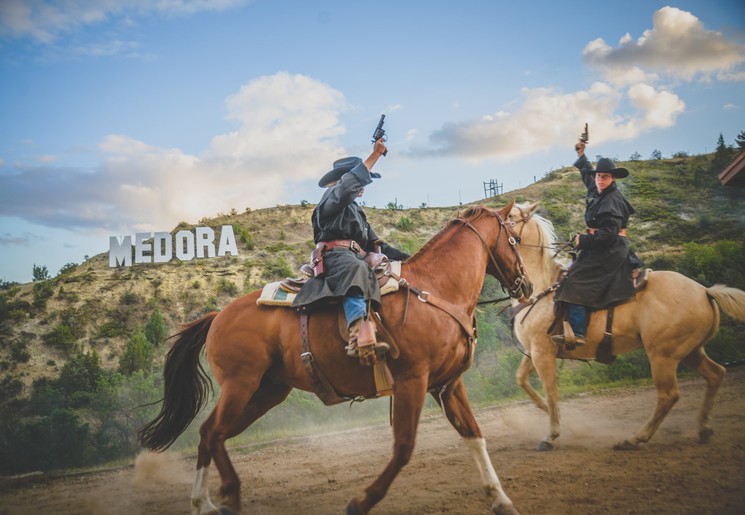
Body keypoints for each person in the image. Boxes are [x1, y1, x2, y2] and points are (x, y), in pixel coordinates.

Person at [292, 138, 409, 358]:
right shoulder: (332, 196)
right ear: (343, 180)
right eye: (360, 180)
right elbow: (347, 188)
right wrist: (375, 155)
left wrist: (410, 260)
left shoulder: (357, 212)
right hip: (336, 257)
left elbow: (377, 246)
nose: (363, 185)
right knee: (356, 268)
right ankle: (357, 334)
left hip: (353, 256)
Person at [552, 140, 642, 346]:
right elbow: (587, 176)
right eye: (599, 176)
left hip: (611, 250)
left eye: (605, 177)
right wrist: (581, 155)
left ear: (613, 178)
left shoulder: (612, 201)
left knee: (574, 281)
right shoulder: (599, 189)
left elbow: (609, 236)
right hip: (601, 247)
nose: (600, 180)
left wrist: (583, 240)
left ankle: (578, 332)